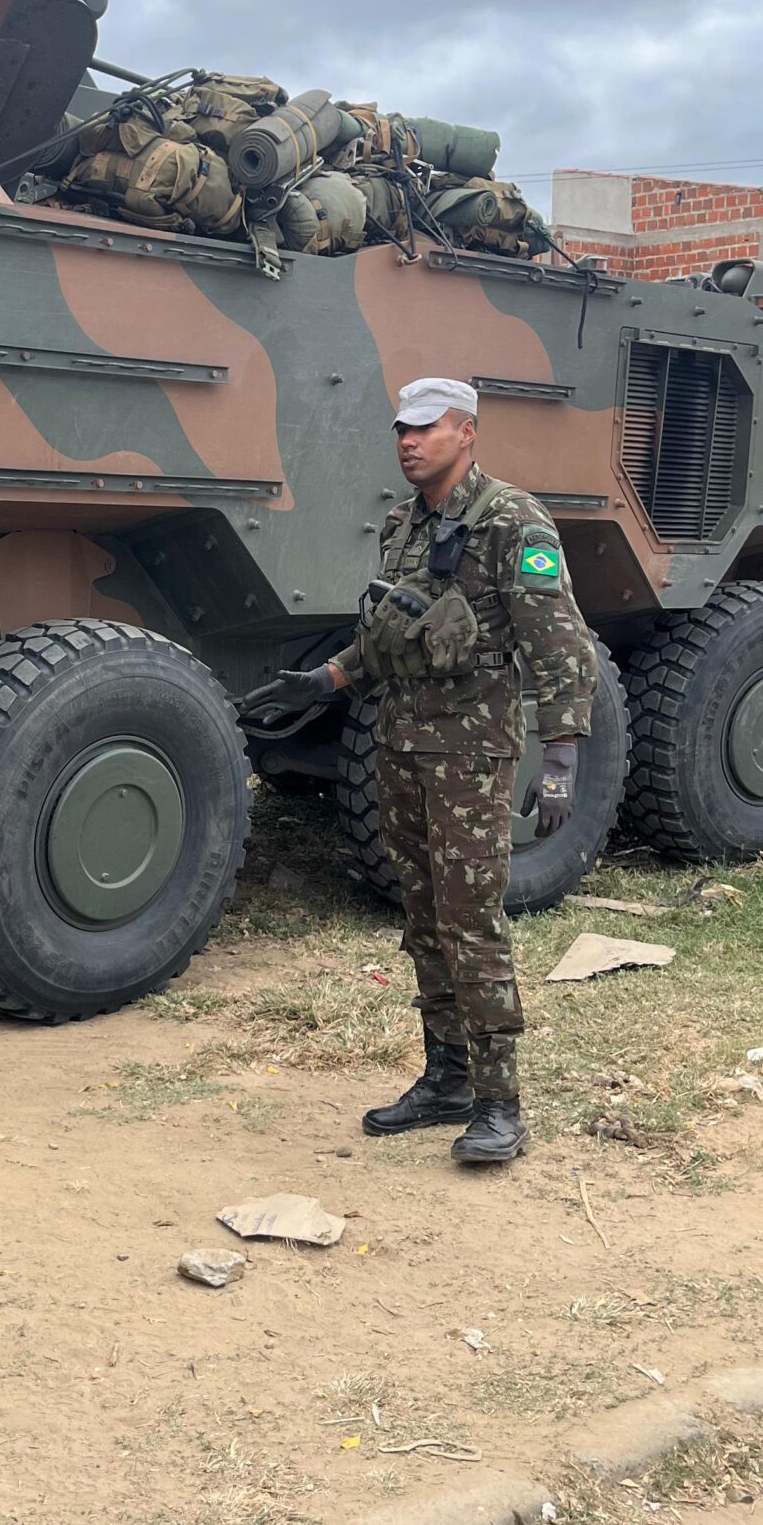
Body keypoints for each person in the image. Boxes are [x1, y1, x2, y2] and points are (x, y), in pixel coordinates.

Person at [257, 377, 597, 1164]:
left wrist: (562, 754)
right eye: (400, 430)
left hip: (473, 754)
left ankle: (500, 1103)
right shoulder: (403, 523)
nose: (407, 442)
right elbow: (389, 638)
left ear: (467, 431)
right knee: (422, 918)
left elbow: (558, 643)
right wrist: (325, 682)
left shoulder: (513, 521)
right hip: (401, 746)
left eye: (424, 429)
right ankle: (445, 1077)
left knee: (471, 921)